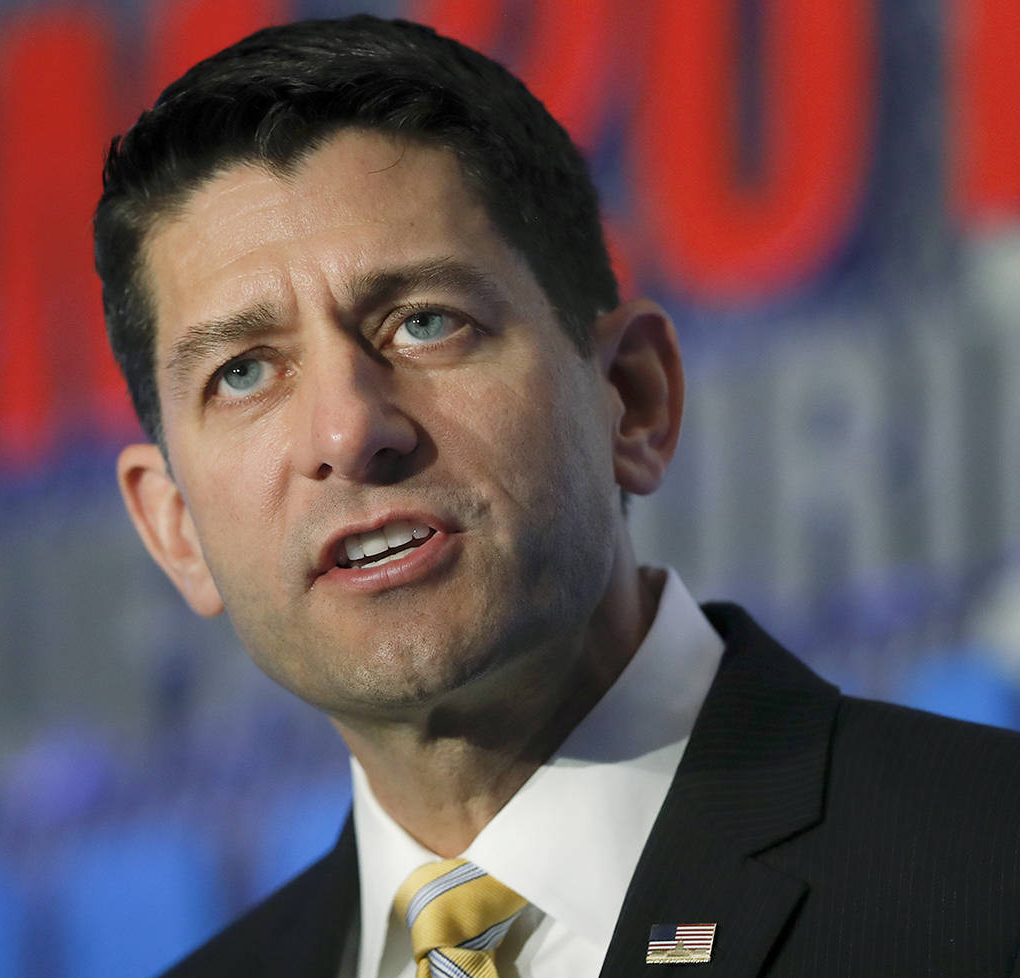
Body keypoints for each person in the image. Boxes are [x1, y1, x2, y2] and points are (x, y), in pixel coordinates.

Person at [93, 15, 1020, 978]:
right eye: (243, 373)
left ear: (634, 398)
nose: (348, 431)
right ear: (175, 532)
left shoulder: (989, 867)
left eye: (424, 322)